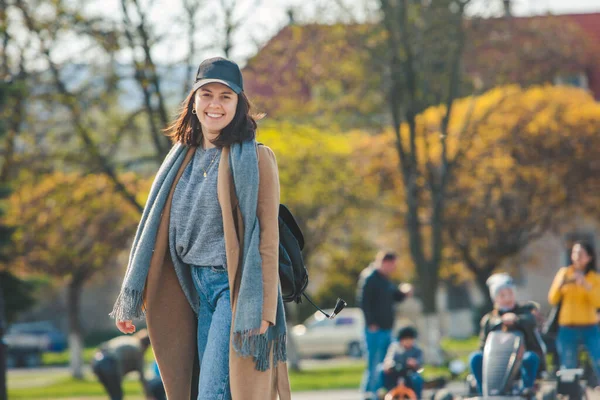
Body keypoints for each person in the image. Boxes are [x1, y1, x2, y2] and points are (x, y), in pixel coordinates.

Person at [109, 57, 291, 400]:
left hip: (232, 289)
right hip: (191, 288)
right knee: (195, 390)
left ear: (239, 104)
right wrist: (131, 297)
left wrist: (264, 310)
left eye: (226, 96)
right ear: (193, 101)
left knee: (213, 391)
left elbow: (267, 239)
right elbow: (151, 231)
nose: (215, 105)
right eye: (206, 94)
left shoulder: (256, 159)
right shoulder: (180, 160)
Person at [469, 273, 541, 395]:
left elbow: (531, 321)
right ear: (495, 298)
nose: (507, 298)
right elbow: (482, 345)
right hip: (496, 364)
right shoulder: (489, 319)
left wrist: (516, 319)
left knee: (530, 358)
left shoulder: (525, 312)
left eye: (510, 294)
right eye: (502, 295)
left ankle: (526, 391)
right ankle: (484, 393)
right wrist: (501, 321)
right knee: (475, 358)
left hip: (518, 360)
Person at [357, 251, 413, 400]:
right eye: (392, 265)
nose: (393, 268)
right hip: (375, 330)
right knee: (374, 364)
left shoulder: (385, 280)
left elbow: (395, 297)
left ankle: (377, 394)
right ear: (385, 262)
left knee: (385, 364)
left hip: (387, 329)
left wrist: (404, 293)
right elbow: (364, 302)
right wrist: (371, 323)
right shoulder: (370, 278)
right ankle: (369, 395)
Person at [548, 242, 600, 385]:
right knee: (568, 364)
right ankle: (571, 393)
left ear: (589, 257)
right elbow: (552, 299)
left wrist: (585, 284)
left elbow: (598, 302)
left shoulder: (594, 278)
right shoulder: (564, 273)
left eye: (580, 254)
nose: (576, 257)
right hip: (567, 327)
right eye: (574, 253)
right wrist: (560, 285)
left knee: (598, 359)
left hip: (590, 327)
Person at [91, 329, 153, 400]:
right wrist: (149, 394)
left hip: (96, 361)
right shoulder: (137, 348)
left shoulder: (128, 340)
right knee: (117, 395)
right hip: (108, 362)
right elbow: (141, 375)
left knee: (113, 393)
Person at [377, 326, 424, 399]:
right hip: (395, 371)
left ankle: (418, 397)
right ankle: (381, 394)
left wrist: (414, 363)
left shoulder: (416, 350)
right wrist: (388, 364)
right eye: (405, 339)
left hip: (409, 373)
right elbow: (389, 358)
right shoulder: (395, 347)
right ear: (401, 340)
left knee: (417, 379)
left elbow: (420, 363)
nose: (408, 342)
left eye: (410, 339)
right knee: (380, 370)